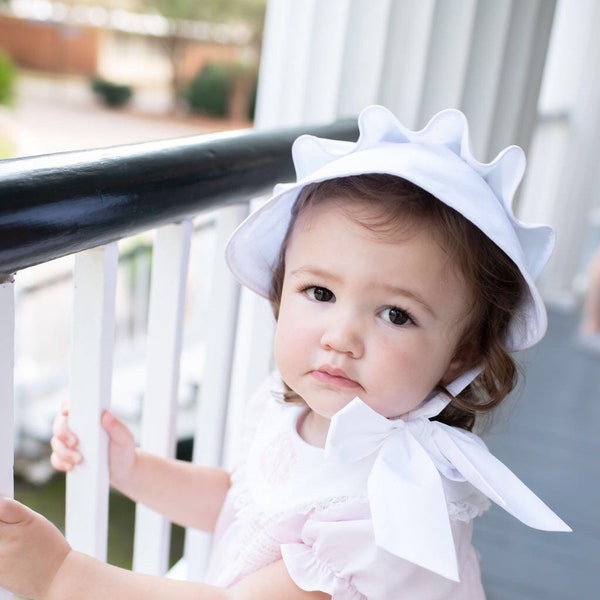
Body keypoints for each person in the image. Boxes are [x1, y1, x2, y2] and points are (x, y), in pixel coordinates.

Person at [0, 105, 570, 599]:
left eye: (396, 314)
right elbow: (242, 505)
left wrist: (61, 575)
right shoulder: (291, 412)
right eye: (319, 292)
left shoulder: (388, 507)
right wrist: (131, 467)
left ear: (458, 354)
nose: (340, 337)